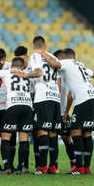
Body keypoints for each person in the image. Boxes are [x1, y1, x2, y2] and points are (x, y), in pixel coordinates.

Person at [35, 48, 94, 175]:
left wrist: (42, 52)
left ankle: (79, 167)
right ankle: (86, 168)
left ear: (64, 58)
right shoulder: (79, 65)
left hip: (84, 100)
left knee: (75, 131)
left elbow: (55, 63)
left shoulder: (67, 63)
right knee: (87, 133)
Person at [0, 57, 34, 174]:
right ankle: (20, 168)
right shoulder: (27, 74)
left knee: (5, 136)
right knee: (24, 138)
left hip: (13, 105)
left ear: (11, 66)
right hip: (27, 106)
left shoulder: (7, 72)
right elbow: (32, 92)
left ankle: (7, 167)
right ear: (22, 67)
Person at [26, 36, 62, 175]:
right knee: (53, 132)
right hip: (55, 98)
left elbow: (38, 72)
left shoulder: (34, 56)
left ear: (34, 46)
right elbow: (59, 82)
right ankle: (53, 166)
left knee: (42, 131)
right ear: (45, 45)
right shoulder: (52, 57)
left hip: (42, 97)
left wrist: (25, 75)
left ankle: (41, 167)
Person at [53, 49, 76, 171]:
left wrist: (66, 112)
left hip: (62, 111)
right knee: (52, 139)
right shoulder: (51, 72)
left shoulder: (67, 73)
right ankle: (54, 166)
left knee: (66, 138)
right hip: (53, 110)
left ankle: (74, 164)